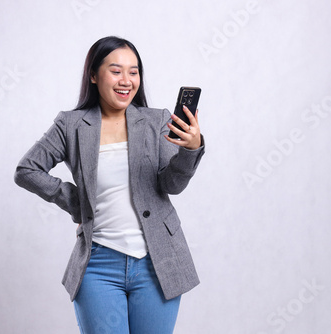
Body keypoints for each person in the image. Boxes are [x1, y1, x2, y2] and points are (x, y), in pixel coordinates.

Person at [14, 36, 205, 334]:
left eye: (134, 71)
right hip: (98, 266)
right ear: (93, 75)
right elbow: (27, 169)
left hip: (158, 264)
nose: (126, 80)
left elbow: (172, 184)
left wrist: (190, 150)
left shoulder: (157, 121)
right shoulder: (71, 125)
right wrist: (76, 201)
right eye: (116, 71)